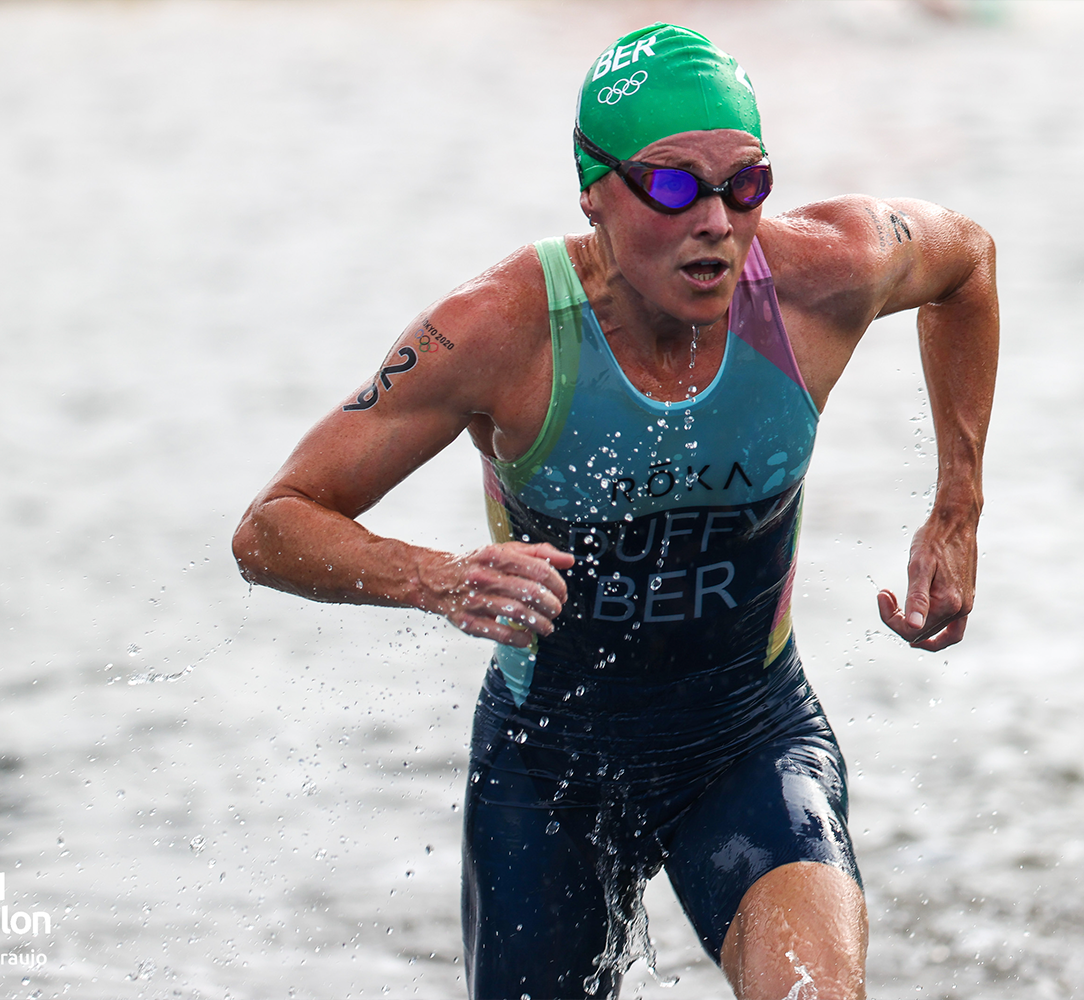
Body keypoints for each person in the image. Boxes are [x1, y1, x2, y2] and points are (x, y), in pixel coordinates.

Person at [233, 22, 997, 1000]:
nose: (716, 219)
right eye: (675, 186)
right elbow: (273, 524)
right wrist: (438, 578)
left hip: (747, 737)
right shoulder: (500, 330)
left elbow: (968, 262)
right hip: (546, 764)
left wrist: (958, 506)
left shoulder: (823, 274)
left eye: (746, 183)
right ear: (594, 191)